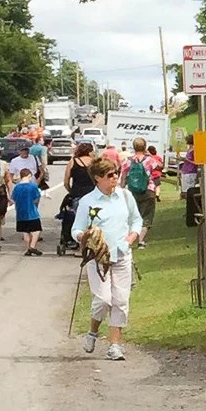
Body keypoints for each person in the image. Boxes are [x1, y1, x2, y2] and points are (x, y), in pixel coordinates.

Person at [71, 154, 145, 359]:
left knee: (120, 300)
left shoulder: (125, 196)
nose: (115, 178)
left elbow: (137, 220)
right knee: (104, 299)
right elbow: (75, 229)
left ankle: (114, 345)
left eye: (117, 174)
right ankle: (92, 332)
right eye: (110, 175)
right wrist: (84, 236)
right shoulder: (88, 202)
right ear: (98, 178)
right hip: (98, 258)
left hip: (122, 254)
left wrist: (132, 237)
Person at [125, 138, 159, 231]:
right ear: (145, 147)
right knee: (146, 216)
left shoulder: (128, 160)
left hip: (132, 190)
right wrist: (150, 154)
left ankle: (131, 238)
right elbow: (160, 166)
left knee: (133, 215)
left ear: (133, 147)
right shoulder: (150, 160)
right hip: (148, 189)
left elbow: (123, 177)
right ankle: (141, 241)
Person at [11, 164, 45, 256]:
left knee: (25, 232)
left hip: (20, 213)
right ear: (29, 176)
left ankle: (27, 248)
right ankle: (32, 247)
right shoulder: (32, 186)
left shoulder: (17, 187)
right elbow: (36, 198)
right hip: (32, 212)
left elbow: (13, 199)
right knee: (37, 230)